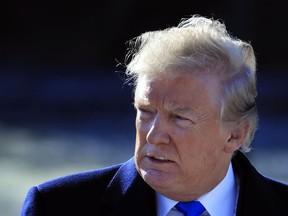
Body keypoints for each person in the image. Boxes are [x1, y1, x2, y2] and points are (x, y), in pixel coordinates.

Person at [20, 14, 288, 216]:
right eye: (146, 111)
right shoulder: (56, 207)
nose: (154, 135)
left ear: (235, 134)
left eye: (179, 118)